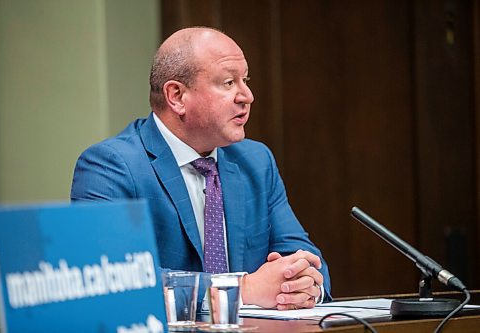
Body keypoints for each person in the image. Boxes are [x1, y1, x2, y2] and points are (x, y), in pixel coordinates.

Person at [71, 26, 331, 310]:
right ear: (177, 96)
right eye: (229, 83)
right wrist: (240, 290)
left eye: (245, 80)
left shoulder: (256, 161)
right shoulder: (111, 166)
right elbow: (114, 279)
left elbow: (306, 259)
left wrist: (304, 285)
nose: (247, 96)